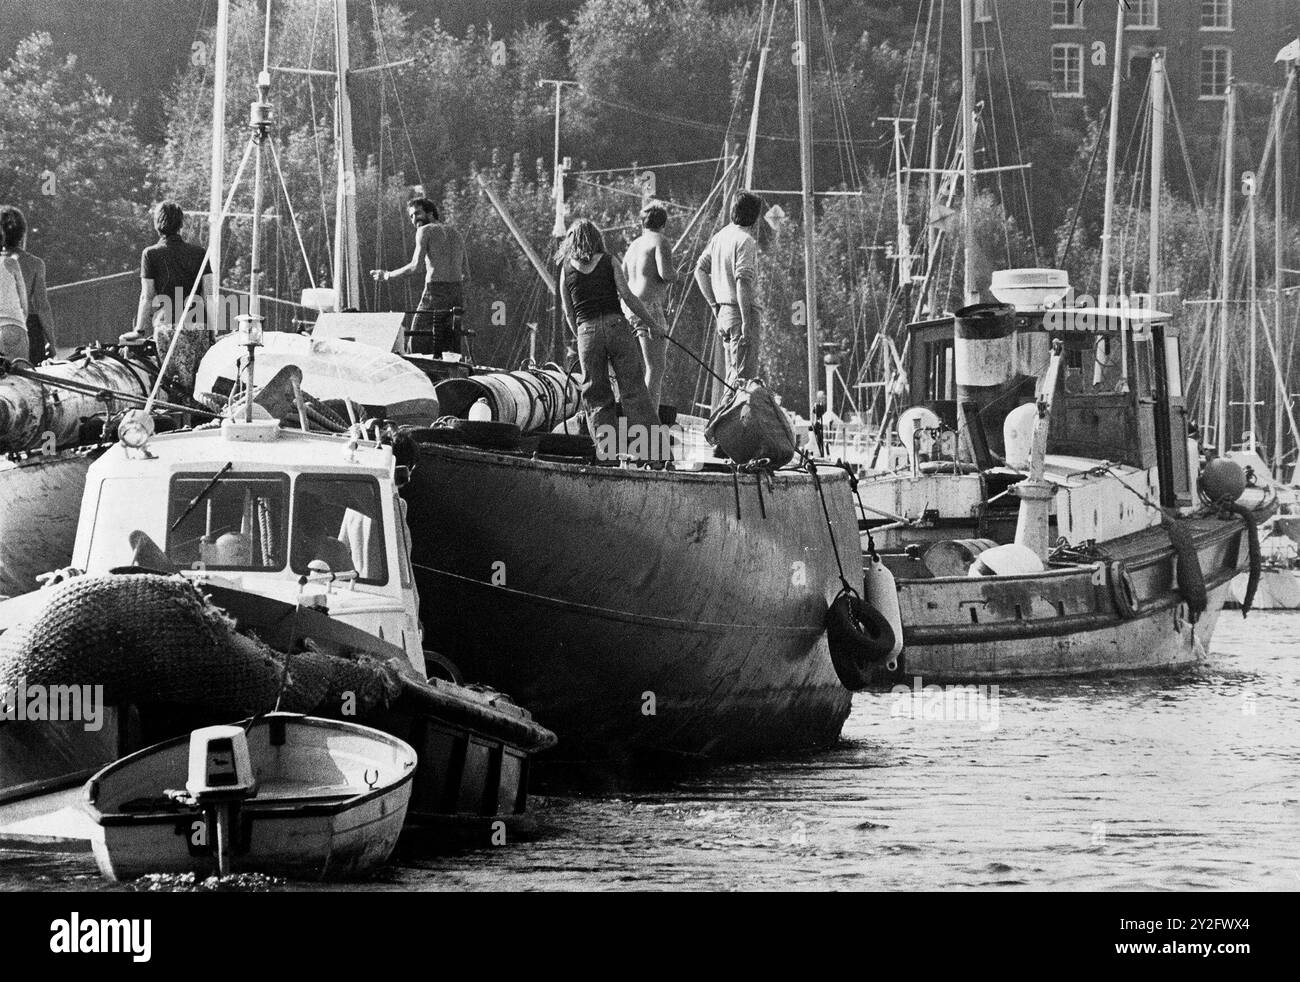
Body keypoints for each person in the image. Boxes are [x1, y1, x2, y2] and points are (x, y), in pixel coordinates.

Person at [556, 219, 661, 456]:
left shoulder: (565, 269)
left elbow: (568, 311)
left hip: (586, 332)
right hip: (616, 325)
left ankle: (610, 455)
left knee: (597, 398)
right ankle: (653, 456)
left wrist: (583, 335)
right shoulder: (609, 260)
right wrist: (652, 324)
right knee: (634, 391)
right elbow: (628, 297)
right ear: (597, 238)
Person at [370, 197, 469, 357]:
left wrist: (387, 275)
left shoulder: (425, 231)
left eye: (417, 213)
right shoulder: (456, 233)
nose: (414, 219)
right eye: (411, 216)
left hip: (435, 291)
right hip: (457, 293)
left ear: (430, 213)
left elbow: (416, 266)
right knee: (449, 344)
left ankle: (417, 375)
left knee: (415, 340)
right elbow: (467, 274)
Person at [134, 200, 211, 393]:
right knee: (198, 382)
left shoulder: (150, 254)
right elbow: (209, 295)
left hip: (167, 325)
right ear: (181, 224)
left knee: (172, 385)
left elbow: (147, 296)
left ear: (157, 224)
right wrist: (212, 330)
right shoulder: (200, 253)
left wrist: (139, 330)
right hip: (196, 323)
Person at [694, 191, 764, 388]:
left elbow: (699, 270)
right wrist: (746, 321)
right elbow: (742, 281)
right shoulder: (746, 241)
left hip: (723, 313)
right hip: (740, 311)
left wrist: (714, 304)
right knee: (742, 381)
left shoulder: (720, 236)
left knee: (731, 378)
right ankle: (732, 419)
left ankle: (724, 417)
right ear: (755, 216)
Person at [621, 201, 676, 415]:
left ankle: (629, 415)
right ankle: (649, 419)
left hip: (629, 307)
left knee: (633, 370)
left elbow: (624, 276)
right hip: (649, 309)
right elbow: (665, 273)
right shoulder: (661, 241)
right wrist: (676, 274)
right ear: (663, 224)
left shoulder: (634, 244)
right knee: (655, 368)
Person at [0, 206, 57, 363]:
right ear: (22, 234)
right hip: (26, 329)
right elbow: (42, 306)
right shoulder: (35, 264)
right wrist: (52, 342)